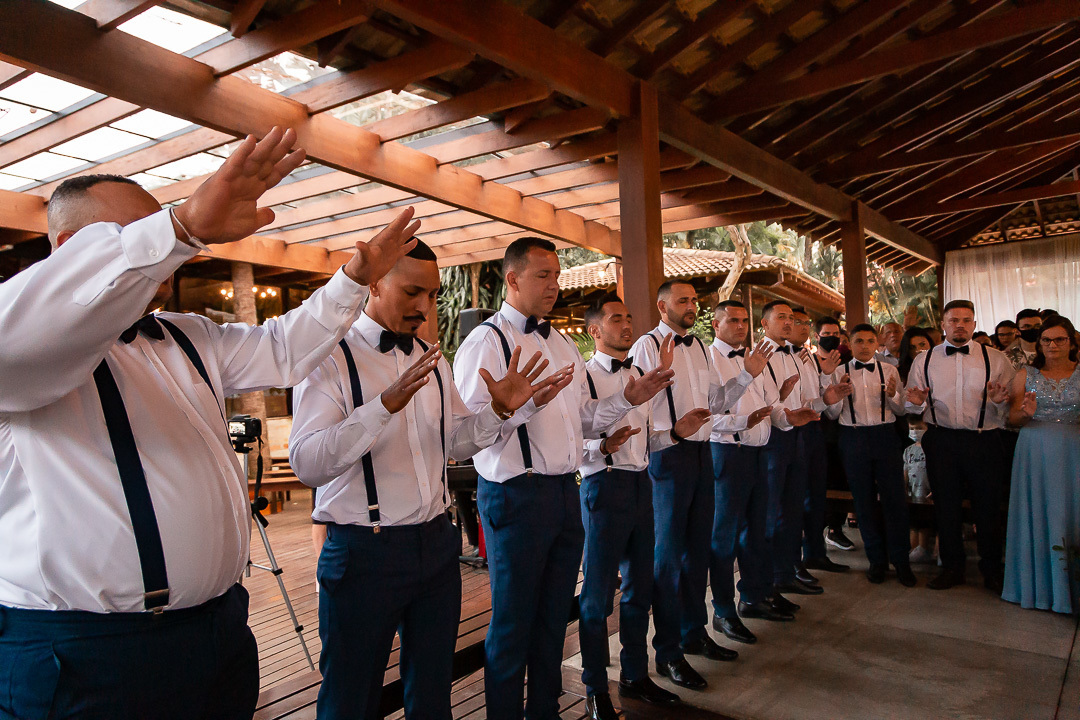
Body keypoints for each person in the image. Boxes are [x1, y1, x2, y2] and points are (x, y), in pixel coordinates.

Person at [0, 128, 420, 719]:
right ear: (70, 247)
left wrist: (352, 280)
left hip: (219, 633)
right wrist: (182, 225)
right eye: (142, 232)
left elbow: (284, 349)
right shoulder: (21, 345)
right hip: (87, 654)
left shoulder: (185, 335)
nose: (169, 252)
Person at [289, 239, 570, 719]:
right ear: (374, 284)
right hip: (363, 550)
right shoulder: (330, 357)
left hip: (437, 547)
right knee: (350, 698)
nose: (424, 307)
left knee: (433, 692)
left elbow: (457, 444)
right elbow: (307, 464)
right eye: (412, 292)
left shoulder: (434, 359)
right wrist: (381, 407)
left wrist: (500, 410)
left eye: (433, 295)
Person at [453, 237, 672, 720]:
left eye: (556, 275)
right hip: (514, 494)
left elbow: (583, 420)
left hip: (563, 493)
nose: (554, 284)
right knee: (512, 624)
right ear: (512, 279)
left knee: (554, 618)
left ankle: (544, 711)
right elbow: (463, 440)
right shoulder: (485, 343)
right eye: (543, 275)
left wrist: (629, 397)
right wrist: (512, 408)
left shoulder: (560, 342)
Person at [577, 294, 711, 719]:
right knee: (597, 596)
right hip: (603, 486)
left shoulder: (638, 374)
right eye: (616, 319)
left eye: (629, 317)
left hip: (642, 484)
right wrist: (602, 446)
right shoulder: (584, 377)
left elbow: (648, 439)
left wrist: (676, 433)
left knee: (641, 588)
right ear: (595, 330)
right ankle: (595, 688)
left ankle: (635, 675)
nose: (626, 324)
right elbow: (572, 441)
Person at [629, 281, 765, 690]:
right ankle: (668, 652)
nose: (692, 306)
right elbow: (637, 407)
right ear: (662, 306)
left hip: (703, 455)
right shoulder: (646, 347)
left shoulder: (702, 347)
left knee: (697, 553)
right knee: (668, 559)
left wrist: (746, 376)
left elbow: (716, 402)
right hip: (667, 456)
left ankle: (694, 633)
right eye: (683, 300)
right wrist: (672, 426)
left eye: (694, 300)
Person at [905, 300, 1016, 592]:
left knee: (988, 507)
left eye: (966, 320)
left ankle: (992, 569)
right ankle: (952, 567)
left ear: (974, 325)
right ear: (943, 324)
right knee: (946, 506)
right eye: (954, 320)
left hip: (984, 439)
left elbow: (1010, 407)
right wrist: (915, 404)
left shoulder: (996, 359)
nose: (960, 326)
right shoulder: (924, 359)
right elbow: (911, 403)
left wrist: (998, 402)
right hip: (941, 439)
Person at [708, 300, 793, 646]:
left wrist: (788, 414)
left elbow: (771, 405)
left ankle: (754, 597)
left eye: (744, 320)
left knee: (756, 531)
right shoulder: (709, 360)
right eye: (732, 320)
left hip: (760, 452)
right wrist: (743, 420)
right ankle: (722, 610)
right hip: (728, 454)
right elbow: (708, 416)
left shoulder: (756, 356)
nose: (741, 326)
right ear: (716, 325)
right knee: (724, 537)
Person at [757, 301, 850, 603]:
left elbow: (805, 402)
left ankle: (786, 573)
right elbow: (765, 403)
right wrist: (788, 416)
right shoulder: (759, 356)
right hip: (773, 437)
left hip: (798, 433)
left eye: (793, 318)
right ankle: (767, 582)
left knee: (793, 508)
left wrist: (826, 399)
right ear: (764, 323)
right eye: (782, 318)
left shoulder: (798, 356)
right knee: (771, 513)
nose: (790, 323)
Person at [826, 325, 915, 587]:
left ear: (877, 343)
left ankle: (901, 560)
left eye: (869, 341)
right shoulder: (839, 372)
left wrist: (894, 395)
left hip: (885, 436)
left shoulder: (889, 370)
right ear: (850, 344)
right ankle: (876, 560)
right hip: (852, 437)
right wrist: (837, 397)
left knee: (894, 499)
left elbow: (901, 410)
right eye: (859, 341)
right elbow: (832, 414)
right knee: (863, 501)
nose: (864, 346)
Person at [1003, 315, 1080, 614]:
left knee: (1071, 512)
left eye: (1060, 339)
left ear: (1071, 342)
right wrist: (1026, 413)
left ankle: (1071, 590)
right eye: (1046, 340)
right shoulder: (1026, 374)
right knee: (1039, 511)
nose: (1053, 345)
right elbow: (1012, 418)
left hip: (1073, 449)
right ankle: (1040, 589)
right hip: (1034, 450)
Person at [793, 310, 847, 575]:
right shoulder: (774, 358)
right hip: (792, 430)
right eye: (795, 322)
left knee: (816, 496)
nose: (801, 327)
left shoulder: (809, 360)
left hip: (815, 430)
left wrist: (826, 377)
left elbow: (823, 403)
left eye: (805, 323)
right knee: (794, 500)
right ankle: (792, 564)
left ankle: (815, 553)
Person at [811, 318, 857, 553]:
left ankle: (835, 529)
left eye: (835, 334)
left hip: (842, 430)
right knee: (818, 485)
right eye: (826, 333)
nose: (831, 337)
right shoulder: (809, 361)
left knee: (841, 481)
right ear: (817, 336)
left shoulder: (847, 363)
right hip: (817, 429)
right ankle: (814, 536)